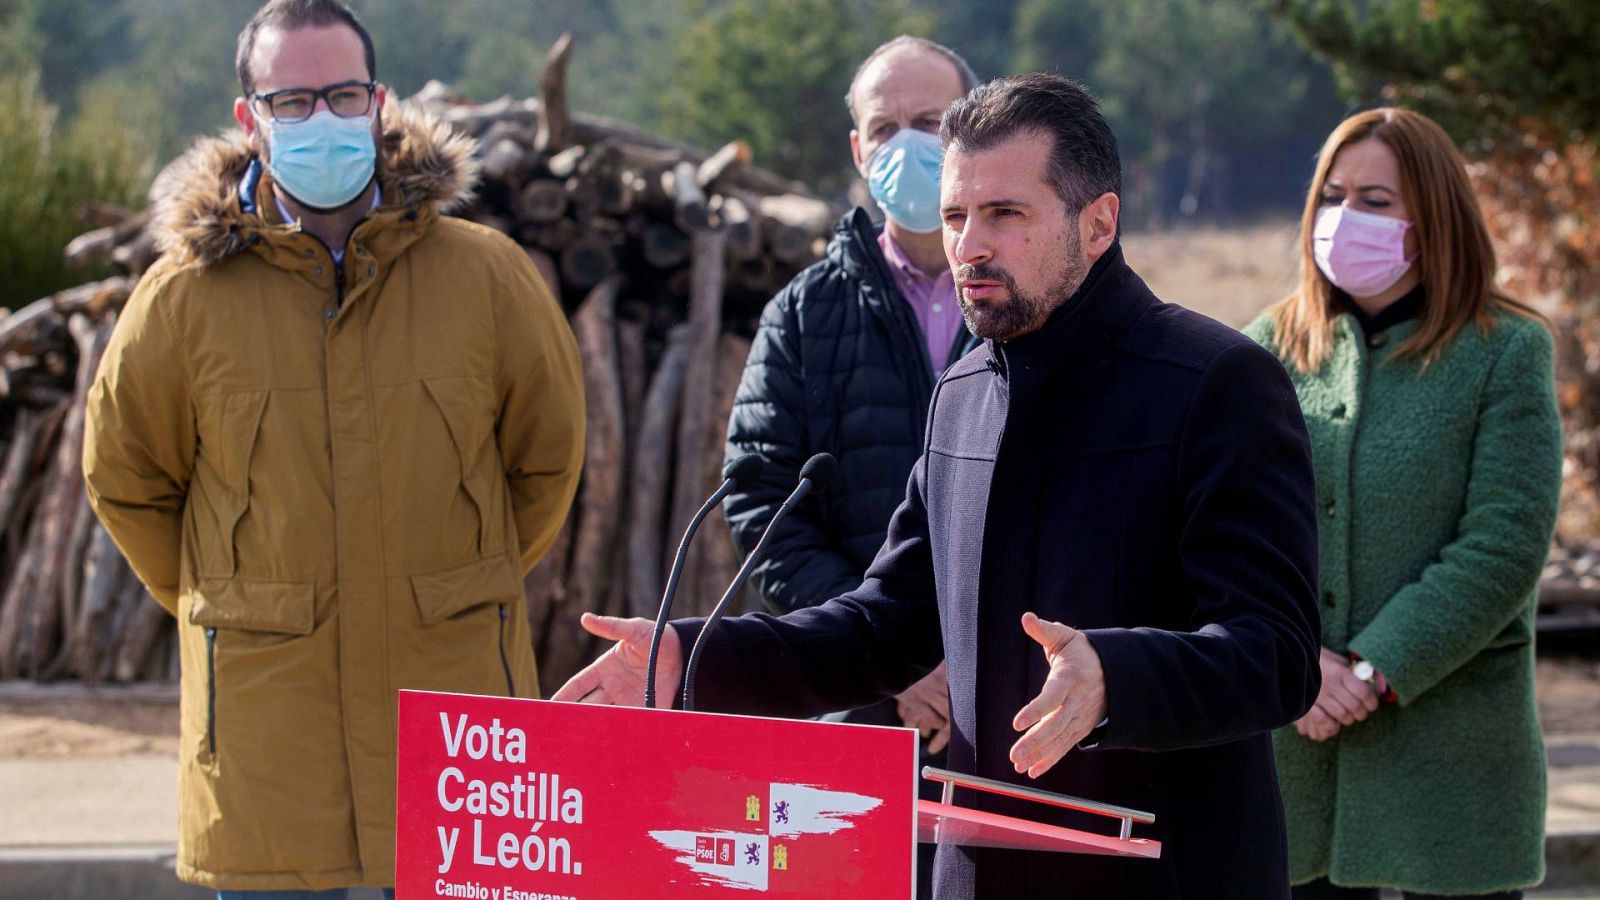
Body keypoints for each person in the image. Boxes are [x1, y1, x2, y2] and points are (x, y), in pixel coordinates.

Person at [557, 73, 1322, 900]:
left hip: (1167, 873)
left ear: (1098, 223)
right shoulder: (962, 394)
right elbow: (884, 627)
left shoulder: (1218, 383)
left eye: (1005, 214)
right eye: (956, 216)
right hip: (979, 873)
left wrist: (1116, 675)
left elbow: (1276, 655)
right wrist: (694, 657)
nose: (967, 245)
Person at [81, 1, 585, 896]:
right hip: (268, 744)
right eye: (293, 101)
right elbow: (125, 477)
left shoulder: (487, 275)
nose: (323, 119)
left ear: (379, 103)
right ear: (250, 118)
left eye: (344, 94)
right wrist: (230, 595)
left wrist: (456, 580)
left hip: (453, 731)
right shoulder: (181, 300)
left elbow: (545, 463)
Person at [1245, 108, 1562, 900]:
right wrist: (1296, 668)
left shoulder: (1505, 352)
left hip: (1450, 765)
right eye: (1334, 193)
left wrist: (1372, 668)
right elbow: (1224, 530)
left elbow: (1504, 543)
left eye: (1376, 199)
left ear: (1433, 214)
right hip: (1294, 755)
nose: (1345, 217)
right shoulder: (1262, 350)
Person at [721, 37, 979, 893]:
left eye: (933, 123)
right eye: (887, 127)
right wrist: (890, 654)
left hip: (1026, 704)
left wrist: (979, 661)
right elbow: (762, 507)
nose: (910, 144)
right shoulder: (803, 316)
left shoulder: (1039, 294)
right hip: (860, 709)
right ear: (859, 151)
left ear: (978, 128)